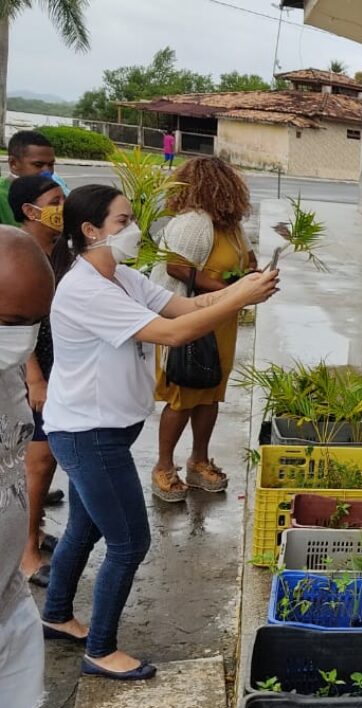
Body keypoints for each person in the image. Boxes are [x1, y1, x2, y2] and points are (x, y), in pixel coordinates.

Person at [41, 185, 279, 680]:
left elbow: (187, 308)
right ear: (90, 231)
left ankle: (57, 614)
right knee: (129, 542)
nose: (133, 230)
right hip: (90, 435)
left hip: (104, 431)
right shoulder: (85, 289)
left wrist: (242, 288)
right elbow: (174, 333)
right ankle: (100, 650)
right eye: (122, 221)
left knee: (85, 527)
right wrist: (242, 297)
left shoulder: (120, 277)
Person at [148, 157, 258, 502]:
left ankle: (199, 461)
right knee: (183, 394)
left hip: (221, 322)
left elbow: (249, 260)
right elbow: (177, 268)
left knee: (210, 393)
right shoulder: (194, 222)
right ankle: (164, 467)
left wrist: (251, 278)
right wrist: (228, 290)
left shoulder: (231, 226)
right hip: (188, 318)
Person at [0, 228, 55, 708]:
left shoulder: (8, 367)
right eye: (12, 322)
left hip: (9, 603)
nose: (22, 340)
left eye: (33, 324)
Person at [10, 175, 66, 587]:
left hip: (60, 367)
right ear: (30, 211)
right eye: (55, 201)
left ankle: (37, 529)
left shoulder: (60, 250)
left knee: (48, 460)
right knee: (38, 460)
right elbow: (17, 319)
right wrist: (34, 377)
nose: (62, 209)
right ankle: (26, 553)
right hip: (31, 371)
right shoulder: (18, 252)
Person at [0, 130, 57, 227]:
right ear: (13, 163)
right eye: (38, 165)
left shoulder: (55, 194)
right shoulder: (2, 198)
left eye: (51, 164)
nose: (47, 171)